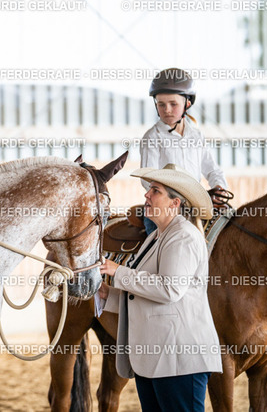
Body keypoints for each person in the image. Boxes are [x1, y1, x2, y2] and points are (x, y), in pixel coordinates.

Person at [98, 164, 222, 412]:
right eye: (149, 190)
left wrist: (118, 271)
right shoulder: (157, 236)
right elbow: (143, 295)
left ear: (175, 203)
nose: (146, 194)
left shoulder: (183, 236)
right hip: (158, 360)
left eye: (155, 191)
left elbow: (169, 289)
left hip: (179, 359)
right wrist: (105, 294)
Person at [141, 68, 228, 234]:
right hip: (164, 209)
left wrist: (219, 188)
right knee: (157, 240)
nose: (167, 109)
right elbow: (147, 178)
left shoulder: (196, 135)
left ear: (187, 104)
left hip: (196, 206)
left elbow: (212, 170)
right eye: (161, 104)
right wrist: (171, 196)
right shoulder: (152, 137)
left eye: (173, 104)